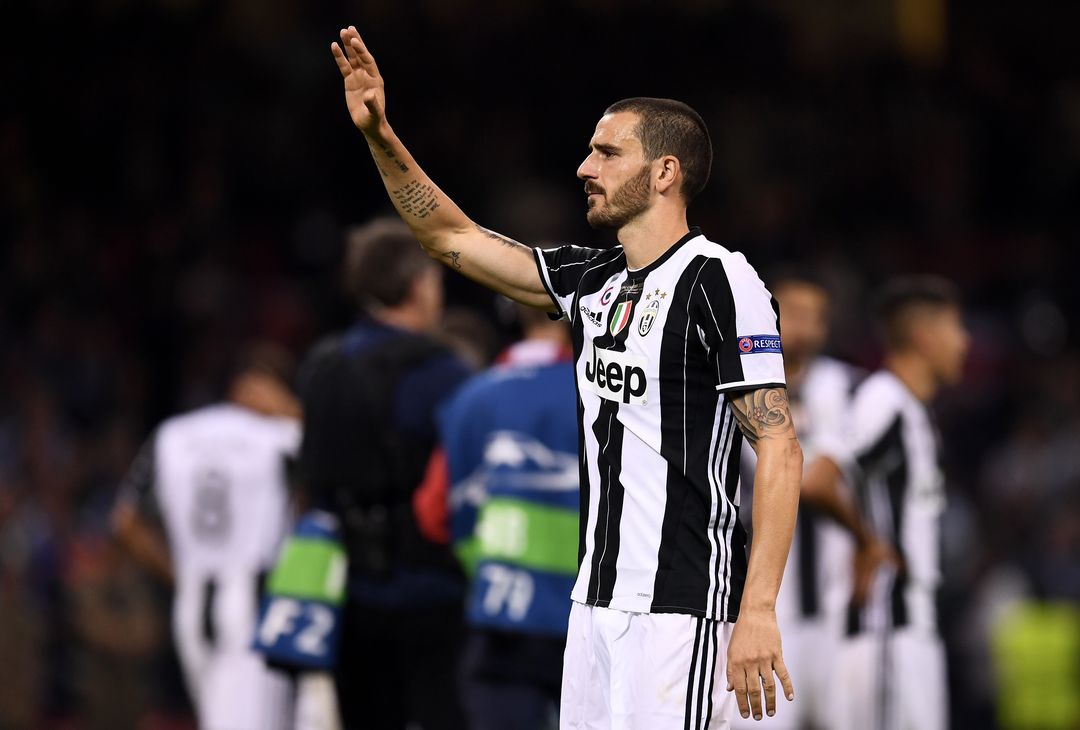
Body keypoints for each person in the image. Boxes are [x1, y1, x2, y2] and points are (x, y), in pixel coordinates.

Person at [330, 27, 804, 728]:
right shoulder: (593, 281)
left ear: (666, 172)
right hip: (590, 607)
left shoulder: (720, 280)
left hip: (680, 610)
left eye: (608, 152)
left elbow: (779, 447)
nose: (586, 167)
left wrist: (758, 607)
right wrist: (379, 134)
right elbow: (450, 239)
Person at [295, 217, 472, 730]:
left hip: (343, 589)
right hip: (431, 590)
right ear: (419, 285)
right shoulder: (446, 373)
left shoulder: (320, 366)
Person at [111, 344, 304, 730]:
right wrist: (294, 411)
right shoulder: (283, 435)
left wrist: (178, 573)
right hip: (254, 597)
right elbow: (336, 462)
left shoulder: (172, 434)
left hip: (193, 597)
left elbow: (125, 521)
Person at [733, 270, 892, 730]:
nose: (804, 326)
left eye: (815, 317)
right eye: (793, 313)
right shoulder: (733, 382)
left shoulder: (856, 390)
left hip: (839, 602)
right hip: (762, 601)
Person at [826, 276, 970, 730]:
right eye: (956, 327)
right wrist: (867, 541)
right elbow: (818, 480)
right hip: (889, 626)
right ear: (925, 336)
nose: (964, 342)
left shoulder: (912, 409)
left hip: (913, 626)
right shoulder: (882, 399)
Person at [438, 304, 578, 730]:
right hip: (587, 616)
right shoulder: (601, 391)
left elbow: (435, 510)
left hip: (500, 616)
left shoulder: (470, 396)